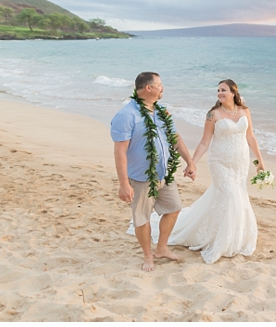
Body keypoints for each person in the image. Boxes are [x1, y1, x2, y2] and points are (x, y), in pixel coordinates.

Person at [138, 79, 265, 264]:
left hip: (240, 163)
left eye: (223, 90)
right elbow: (205, 142)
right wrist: (192, 163)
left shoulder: (244, 111)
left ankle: (234, 237)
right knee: (230, 195)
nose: (220, 93)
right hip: (219, 162)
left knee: (237, 196)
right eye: (218, 90)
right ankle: (223, 241)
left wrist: (259, 160)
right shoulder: (213, 114)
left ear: (233, 92)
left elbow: (250, 136)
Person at [112, 72, 196, 272]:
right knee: (142, 218)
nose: (162, 88)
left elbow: (175, 137)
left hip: (164, 173)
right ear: (148, 88)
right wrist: (124, 184)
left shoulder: (162, 112)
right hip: (141, 177)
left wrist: (189, 162)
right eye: (159, 85)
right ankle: (148, 256)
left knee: (174, 209)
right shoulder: (126, 115)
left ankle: (161, 249)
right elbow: (120, 151)